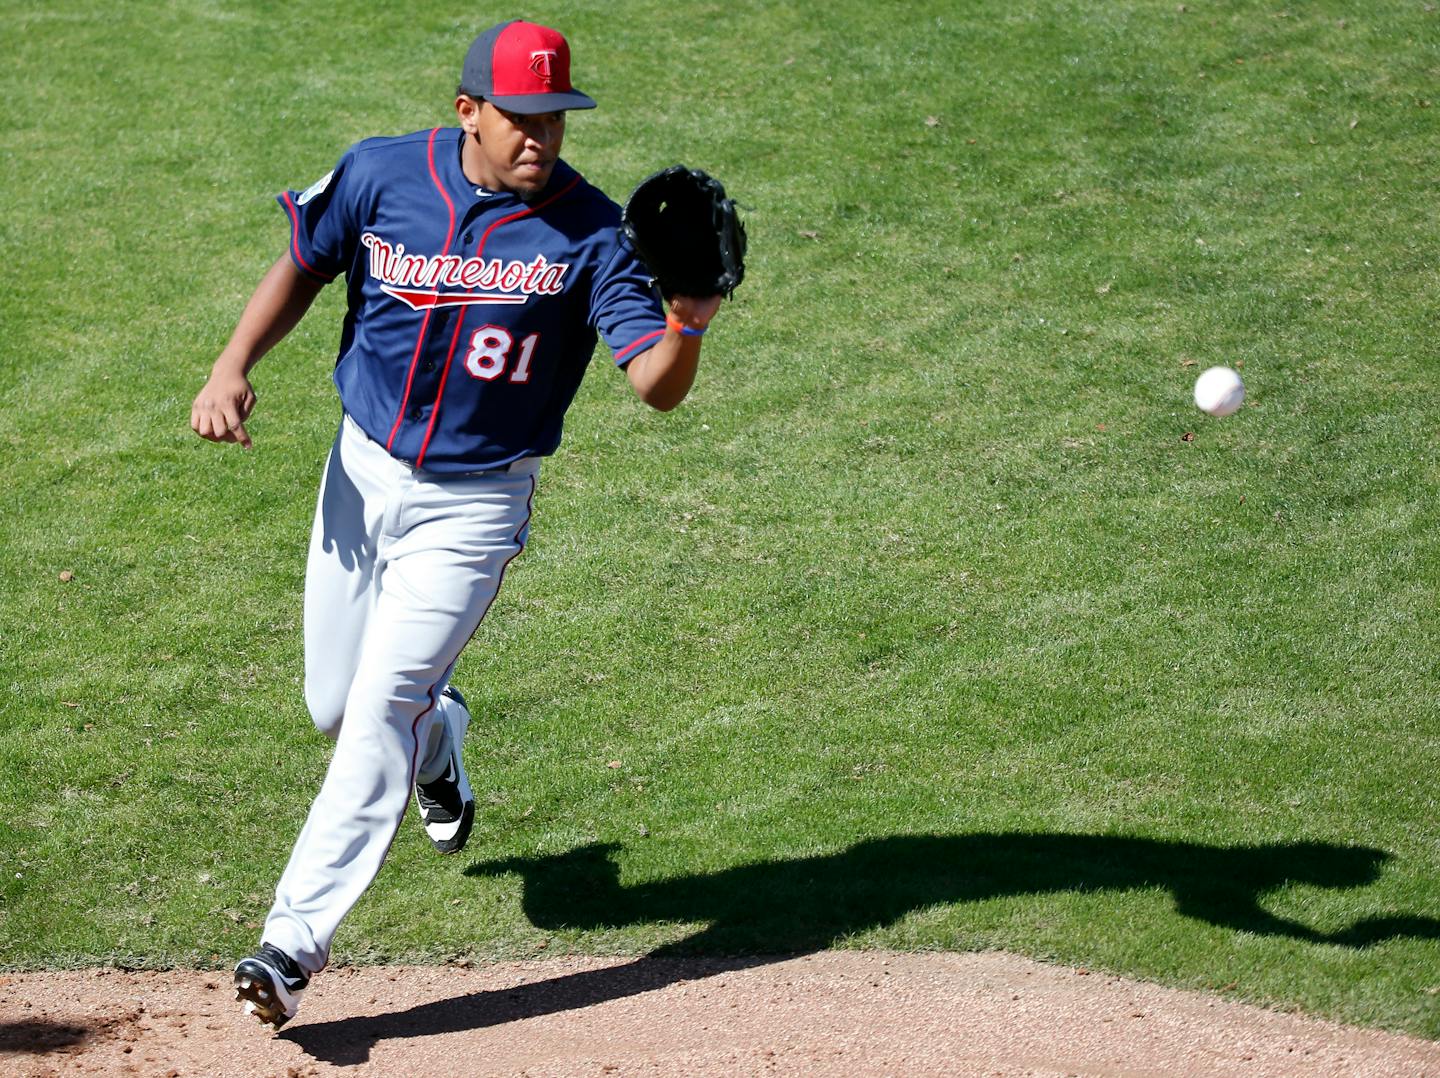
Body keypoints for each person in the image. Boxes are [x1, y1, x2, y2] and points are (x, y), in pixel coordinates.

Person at [190, 19, 722, 1030]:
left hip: (474, 506)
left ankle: (291, 944)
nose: (542, 140)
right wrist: (231, 367)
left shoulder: (592, 232)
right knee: (335, 707)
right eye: (521, 119)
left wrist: (690, 318)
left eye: (557, 120)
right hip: (360, 475)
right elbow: (305, 259)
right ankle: (444, 738)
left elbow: (654, 385)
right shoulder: (379, 176)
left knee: (382, 700)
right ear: (468, 110)